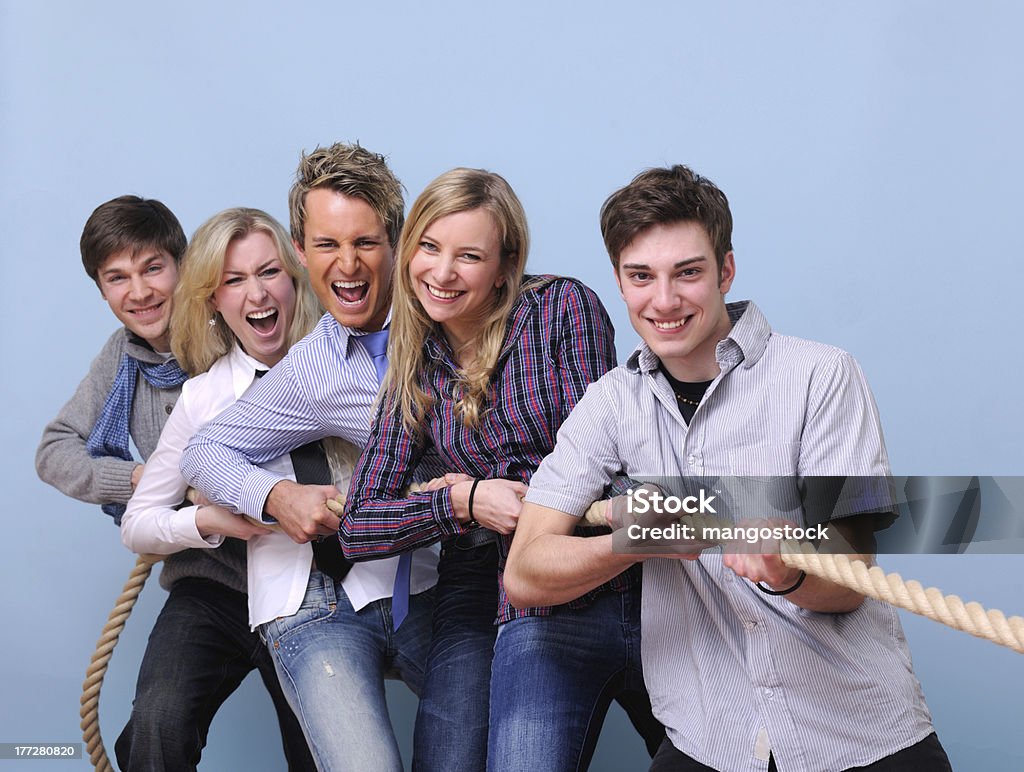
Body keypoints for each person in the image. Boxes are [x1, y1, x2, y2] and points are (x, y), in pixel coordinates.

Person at [504, 165, 952, 771]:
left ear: (726, 270)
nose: (663, 301)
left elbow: (851, 580)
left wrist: (786, 572)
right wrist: (639, 539)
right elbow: (525, 574)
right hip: (708, 739)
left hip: (857, 735)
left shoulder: (822, 376)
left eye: (687, 273)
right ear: (619, 280)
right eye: (641, 277)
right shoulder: (610, 403)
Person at [340, 168, 663, 772]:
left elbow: (593, 453)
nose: (441, 273)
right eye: (428, 248)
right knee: (449, 753)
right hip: (482, 575)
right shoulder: (414, 365)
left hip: (597, 556)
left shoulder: (561, 308)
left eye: (468, 256)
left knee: (707, 739)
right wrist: (459, 503)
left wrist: (488, 487)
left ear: (504, 264)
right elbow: (358, 526)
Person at [180, 145, 439, 772]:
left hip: (531, 577)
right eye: (327, 244)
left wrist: (718, 516)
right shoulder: (318, 367)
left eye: (366, 242)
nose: (347, 265)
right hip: (357, 593)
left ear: (397, 241)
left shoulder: (453, 319)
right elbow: (203, 453)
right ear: (301, 250)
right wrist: (276, 497)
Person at [35, 198, 315, 771]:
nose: (139, 292)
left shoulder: (240, 335)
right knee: (157, 728)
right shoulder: (125, 358)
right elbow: (55, 450)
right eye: (118, 278)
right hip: (209, 580)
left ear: (189, 269)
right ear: (102, 290)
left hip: (296, 576)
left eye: (152, 268)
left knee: (315, 744)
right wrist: (146, 481)